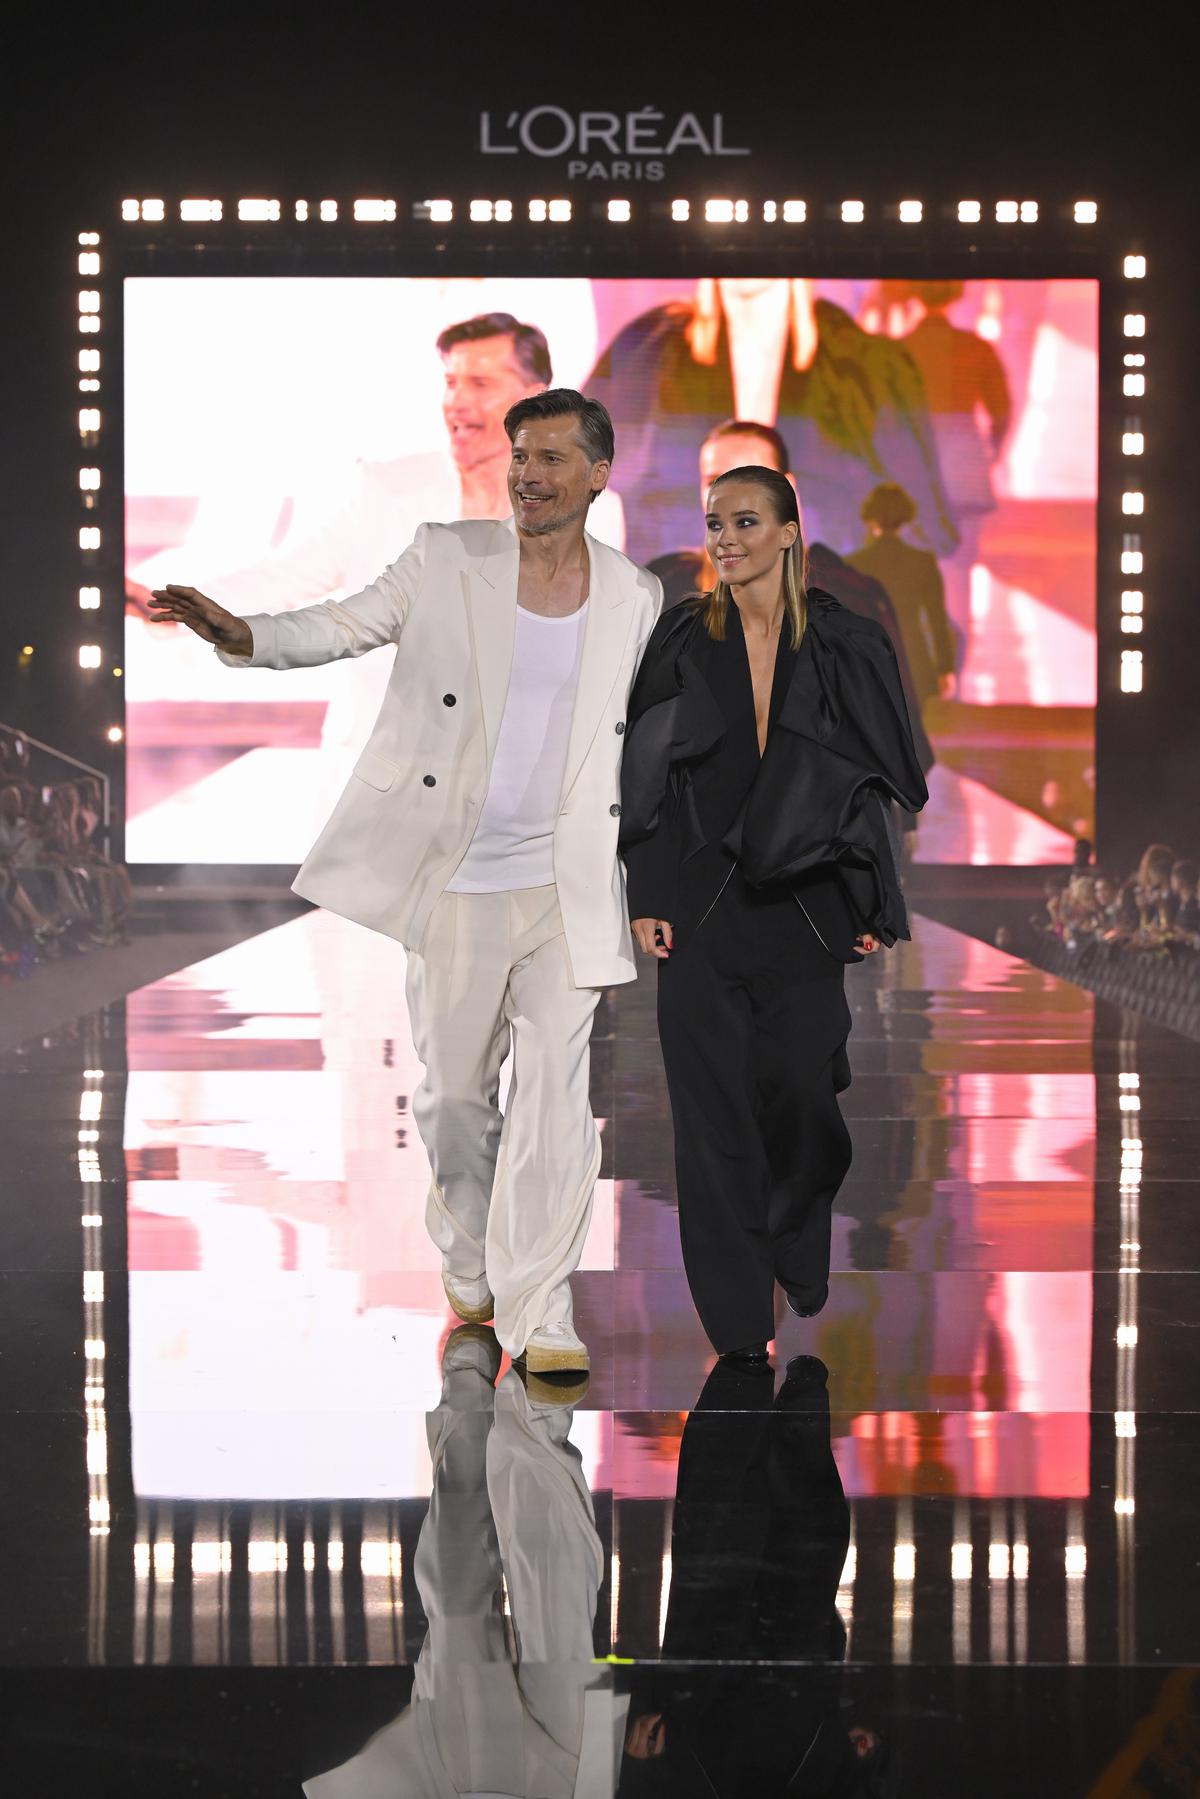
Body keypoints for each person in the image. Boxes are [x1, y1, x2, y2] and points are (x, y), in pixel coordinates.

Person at [151, 390, 662, 1379]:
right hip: (460, 877)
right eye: (523, 454)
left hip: (566, 888)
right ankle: (466, 1250)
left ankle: (544, 1304)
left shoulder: (632, 596)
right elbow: (342, 623)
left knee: (558, 1098)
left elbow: (643, 741)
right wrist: (242, 634)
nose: (529, 472)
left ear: (597, 475)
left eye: (554, 456)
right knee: (456, 1100)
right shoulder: (445, 558)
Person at [618, 466, 926, 1362]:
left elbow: (877, 782)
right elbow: (640, 775)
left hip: (805, 906)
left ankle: (798, 1225)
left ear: (790, 530)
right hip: (703, 905)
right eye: (715, 522)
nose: (726, 537)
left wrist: (871, 895)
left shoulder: (844, 642)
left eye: (745, 520)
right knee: (710, 1116)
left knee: (799, 1094)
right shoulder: (683, 635)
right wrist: (647, 892)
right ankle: (738, 1320)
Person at [304, 1324, 621, 1797]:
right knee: (559, 1597)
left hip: (448, 1787)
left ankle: (470, 1384)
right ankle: (535, 1402)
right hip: (568, 1788)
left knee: (456, 1604)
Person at [586, 277, 957, 565]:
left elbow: (910, 505)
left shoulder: (861, 365)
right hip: (691, 598)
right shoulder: (652, 348)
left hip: (814, 597)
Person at [846, 484, 957, 714]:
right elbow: (937, 620)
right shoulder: (923, 562)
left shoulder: (854, 563)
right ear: (905, 519)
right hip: (915, 660)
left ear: (870, 519)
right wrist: (945, 668)